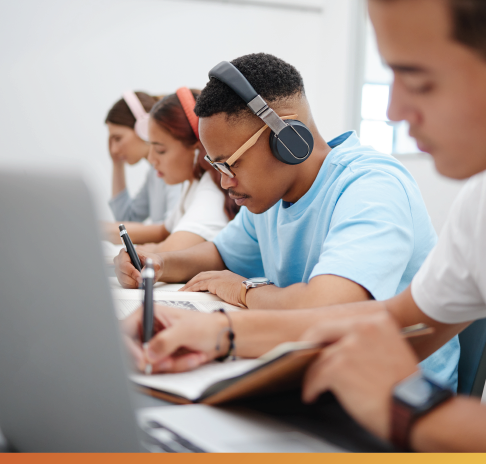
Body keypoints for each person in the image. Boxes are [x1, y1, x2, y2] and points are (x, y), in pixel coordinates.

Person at [121, 0, 486, 452]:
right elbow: (395, 322)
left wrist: (422, 415)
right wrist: (218, 333)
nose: (393, 111)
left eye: (418, 79)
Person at [115, 53, 460, 388]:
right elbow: (218, 254)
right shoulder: (271, 198)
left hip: (393, 400)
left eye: (229, 164)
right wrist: (155, 263)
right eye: (217, 166)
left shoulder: (371, 187)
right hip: (312, 375)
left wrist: (244, 290)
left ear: (288, 139)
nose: (224, 181)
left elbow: (327, 309)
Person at [134, 88, 239, 253]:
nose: (151, 159)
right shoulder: (193, 184)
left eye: (160, 150)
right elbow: (164, 231)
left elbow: (170, 251)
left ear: (196, 149)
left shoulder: (212, 193)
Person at [103, 91, 182, 244]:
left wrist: (102, 229)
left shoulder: (174, 170)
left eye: (118, 138)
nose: (113, 149)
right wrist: (117, 164)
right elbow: (126, 220)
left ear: (144, 129)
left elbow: (172, 229)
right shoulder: (154, 173)